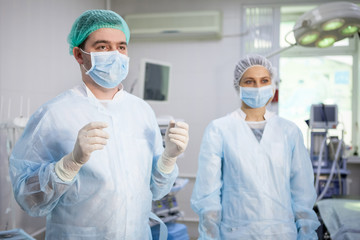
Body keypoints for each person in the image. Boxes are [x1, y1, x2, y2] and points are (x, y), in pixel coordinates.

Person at [9, 9, 189, 239]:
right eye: (102, 47)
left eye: (121, 47)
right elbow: (28, 198)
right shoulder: (54, 114)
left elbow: (157, 190)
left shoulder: (141, 111)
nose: (115, 54)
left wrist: (168, 158)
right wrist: (69, 164)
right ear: (79, 54)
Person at [191, 55, 320, 239]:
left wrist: (307, 234)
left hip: (282, 233)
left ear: (272, 84)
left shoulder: (289, 131)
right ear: (239, 86)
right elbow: (208, 193)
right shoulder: (219, 130)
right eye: (249, 81)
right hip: (236, 233)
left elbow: (302, 192)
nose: (258, 87)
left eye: (264, 81)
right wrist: (210, 235)